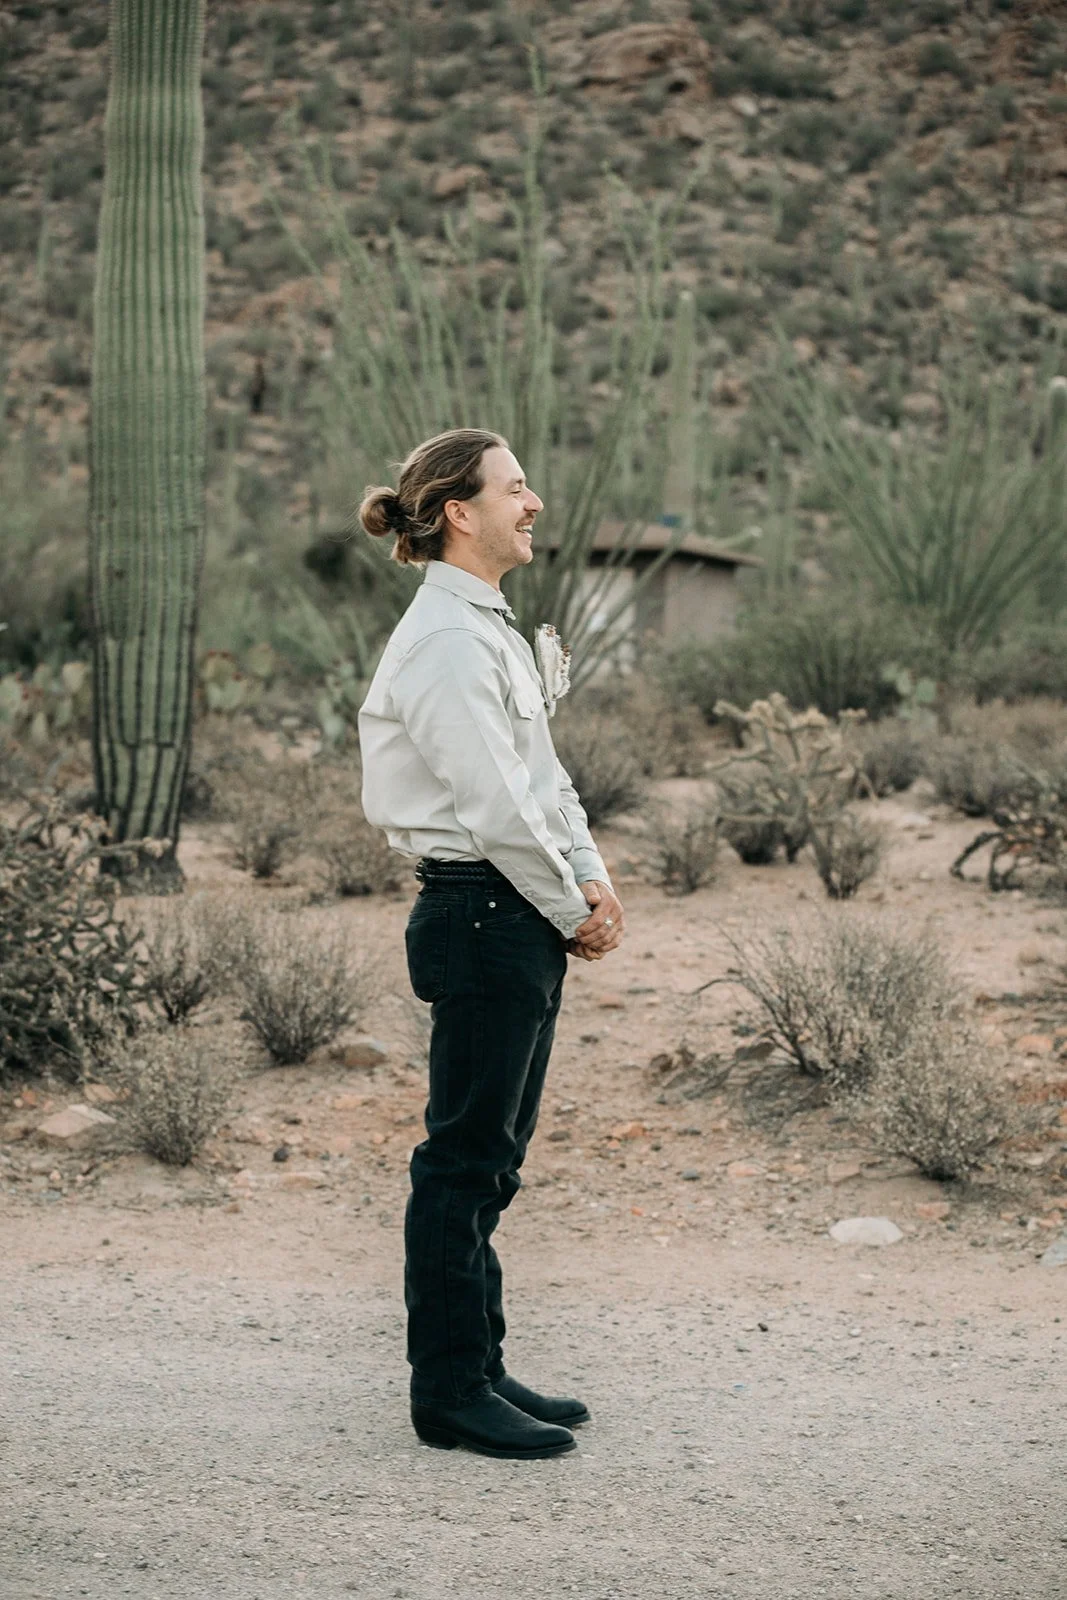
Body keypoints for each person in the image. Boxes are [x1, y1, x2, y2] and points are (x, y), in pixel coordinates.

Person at [357, 427, 626, 1460]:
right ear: (459, 511)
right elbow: (491, 804)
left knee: (493, 1157)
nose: (535, 503)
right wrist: (571, 909)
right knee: (462, 1159)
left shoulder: (488, 630)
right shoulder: (445, 643)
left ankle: (480, 1361)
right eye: (516, 488)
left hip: (511, 906)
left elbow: (540, 777)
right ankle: (448, 1391)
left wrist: (588, 874)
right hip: (481, 909)